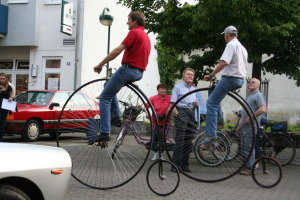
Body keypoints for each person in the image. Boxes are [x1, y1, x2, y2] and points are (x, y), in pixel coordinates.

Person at [93, 11, 151, 146]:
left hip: (127, 70)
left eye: (129, 20)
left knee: (104, 98)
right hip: (139, 73)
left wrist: (100, 64)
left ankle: (105, 132)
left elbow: (117, 51)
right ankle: (115, 117)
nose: (127, 22)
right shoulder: (145, 36)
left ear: (135, 21)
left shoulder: (134, 33)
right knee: (108, 84)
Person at [202, 25, 248, 144]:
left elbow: (223, 63)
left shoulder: (231, 45)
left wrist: (211, 74)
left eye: (224, 35)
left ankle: (211, 134)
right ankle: (219, 121)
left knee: (211, 103)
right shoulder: (242, 48)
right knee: (213, 92)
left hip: (229, 79)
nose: (224, 37)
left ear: (227, 35)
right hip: (239, 79)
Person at [168, 68, 198, 172]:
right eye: (188, 74)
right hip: (181, 112)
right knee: (180, 139)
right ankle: (175, 165)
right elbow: (172, 104)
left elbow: (193, 102)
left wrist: (196, 103)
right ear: (183, 76)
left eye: (192, 75)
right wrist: (178, 115)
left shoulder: (194, 89)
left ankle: (185, 165)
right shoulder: (178, 88)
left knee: (188, 140)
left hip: (191, 113)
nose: (190, 76)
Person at [239, 78, 266, 175]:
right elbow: (244, 114)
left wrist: (251, 118)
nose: (250, 83)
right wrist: (239, 126)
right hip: (245, 126)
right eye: (249, 82)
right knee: (245, 146)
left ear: (258, 85)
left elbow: (263, 109)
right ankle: (247, 166)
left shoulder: (258, 95)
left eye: (253, 82)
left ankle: (250, 168)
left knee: (248, 147)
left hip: (251, 125)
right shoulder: (250, 95)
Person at [146, 84, 171, 161]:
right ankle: (155, 154)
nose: (162, 90)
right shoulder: (153, 98)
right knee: (155, 138)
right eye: (161, 89)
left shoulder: (170, 98)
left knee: (163, 139)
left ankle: (161, 154)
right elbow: (146, 105)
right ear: (158, 90)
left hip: (166, 122)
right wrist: (147, 113)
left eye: (164, 89)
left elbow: (174, 106)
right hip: (155, 121)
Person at [0, 73, 15, 142]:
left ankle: (0, 139)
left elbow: (12, 95)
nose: (2, 80)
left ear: (6, 79)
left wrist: (11, 98)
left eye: (3, 79)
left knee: (2, 123)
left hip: (4, 107)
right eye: (0, 79)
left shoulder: (9, 86)